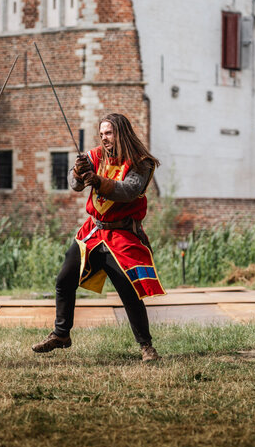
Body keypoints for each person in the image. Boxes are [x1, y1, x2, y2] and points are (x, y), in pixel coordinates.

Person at [32, 113, 166, 362]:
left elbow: (129, 191)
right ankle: (61, 334)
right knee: (64, 279)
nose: (104, 138)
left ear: (121, 133)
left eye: (109, 133)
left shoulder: (141, 162)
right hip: (93, 231)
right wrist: (77, 171)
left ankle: (146, 346)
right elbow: (75, 185)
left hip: (123, 234)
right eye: (102, 133)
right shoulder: (94, 156)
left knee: (129, 291)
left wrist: (98, 181)